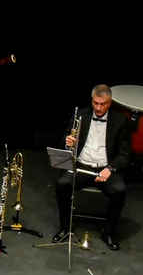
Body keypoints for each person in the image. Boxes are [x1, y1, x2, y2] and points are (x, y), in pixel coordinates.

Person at [52, 85, 133, 251]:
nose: (98, 107)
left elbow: (125, 155)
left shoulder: (121, 121)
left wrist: (110, 168)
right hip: (81, 164)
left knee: (119, 190)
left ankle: (108, 233)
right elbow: (64, 140)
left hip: (105, 167)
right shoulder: (80, 114)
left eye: (103, 104)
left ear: (110, 103)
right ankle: (66, 228)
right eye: (95, 103)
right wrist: (68, 142)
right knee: (62, 183)